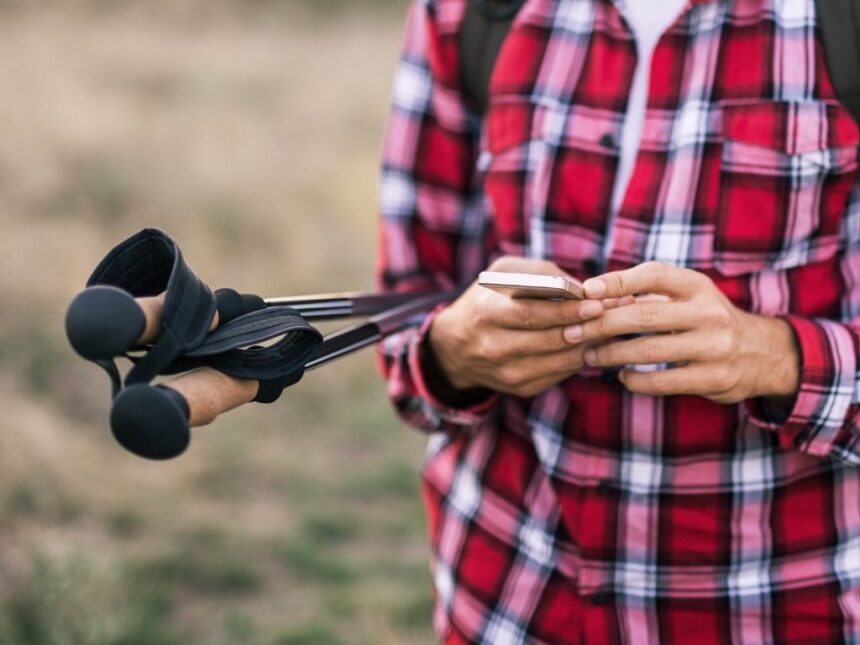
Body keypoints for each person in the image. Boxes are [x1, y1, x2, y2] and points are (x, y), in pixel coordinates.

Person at [376, 0, 860, 642]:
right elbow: (402, 312)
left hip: (777, 606)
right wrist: (449, 353)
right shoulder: (465, 13)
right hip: (508, 600)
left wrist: (773, 356)